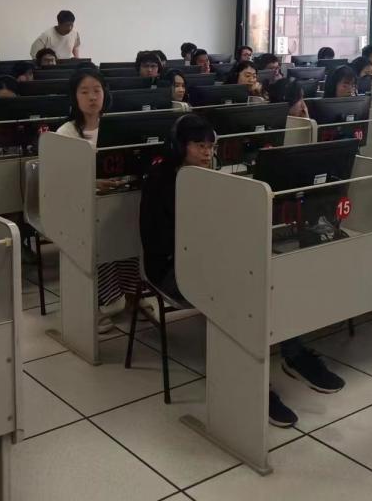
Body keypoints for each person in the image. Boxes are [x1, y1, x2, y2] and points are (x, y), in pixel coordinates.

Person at [139, 114, 343, 430]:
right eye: (198, 146)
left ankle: (294, 356)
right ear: (180, 146)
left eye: (210, 147)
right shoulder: (160, 180)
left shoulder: (211, 177)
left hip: (216, 261)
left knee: (271, 280)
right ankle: (248, 384)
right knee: (239, 295)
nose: (206, 153)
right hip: (171, 268)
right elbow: (157, 240)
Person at [55, 70, 136, 331]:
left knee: (133, 235)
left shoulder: (117, 126)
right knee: (104, 239)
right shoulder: (65, 132)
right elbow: (61, 179)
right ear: (74, 97)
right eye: (85, 91)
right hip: (80, 208)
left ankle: (132, 294)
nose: (92, 97)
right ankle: (102, 303)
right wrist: (92, 184)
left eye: (97, 90)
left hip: (117, 198)